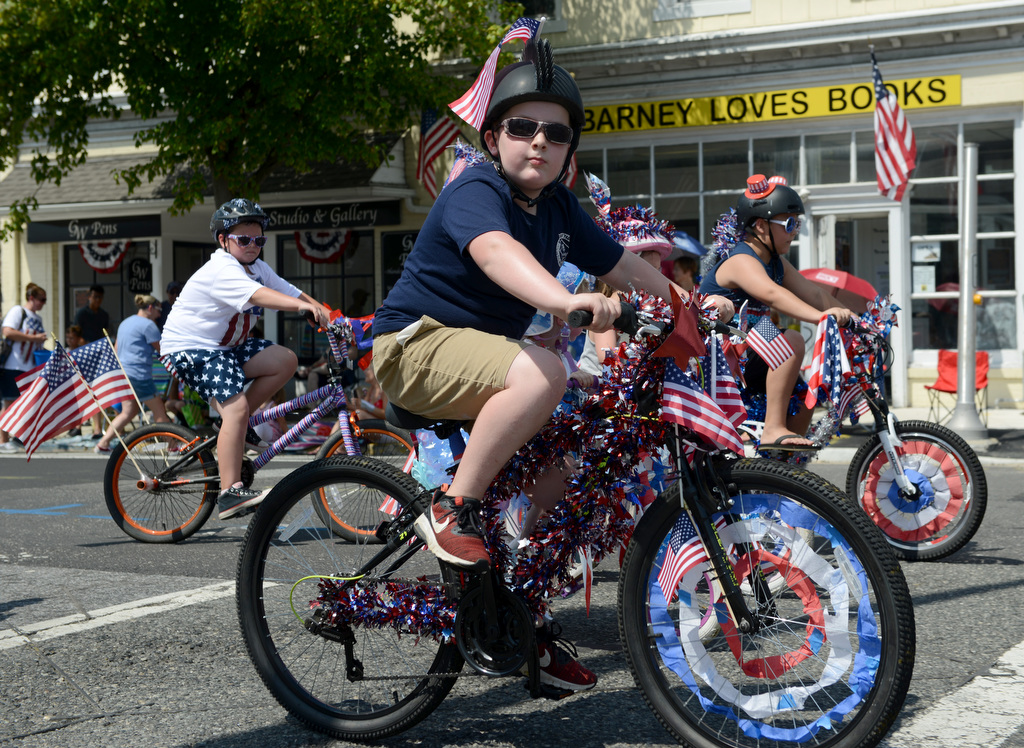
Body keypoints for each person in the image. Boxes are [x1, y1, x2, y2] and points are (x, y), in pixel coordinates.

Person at [372, 37, 730, 694]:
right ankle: (452, 510)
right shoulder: (474, 189)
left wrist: (688, 300)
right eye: (522, 127)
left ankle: (516, 620)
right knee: (545, 371)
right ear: (492, 137)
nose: (539, 141)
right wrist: (567, 300)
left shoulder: (562, 208)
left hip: (487, 362)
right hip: (415, 346)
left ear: (570, 147)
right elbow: (495, 254)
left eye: (556, 132)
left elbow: (621, 264)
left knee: (567, 463)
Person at [160, 198, 331, 519]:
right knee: (236, 407)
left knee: (285, 360)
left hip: (226, 347)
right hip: (190, 348)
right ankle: (229, 493)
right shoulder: (222, 268)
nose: (253, 246)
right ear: (223, 240)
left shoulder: (257, 267)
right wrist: (303, 309)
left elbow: (292, 292)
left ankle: (235, 425)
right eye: (244, 240)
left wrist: (329, 314)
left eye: (259, 240)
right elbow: (258, 296)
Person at [699, 175, 852, 451]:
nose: (795, 232)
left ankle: (778, 470)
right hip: (721, 358)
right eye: (789, 224)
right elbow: (774, 295)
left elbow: (816, 295)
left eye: (798, 224)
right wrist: (822, 318)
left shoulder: (776, 262)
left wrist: (852, 320)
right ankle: (772, 429)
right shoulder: (741, 259)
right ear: (759, 226)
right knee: (792, 341)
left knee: (806, 398)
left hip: (752, 348)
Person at [94, 295, 171, 453]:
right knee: (159, 410)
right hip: (138, 374)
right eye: (158, 310)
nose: (159, 314)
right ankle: (173, 446)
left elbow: (116, 350)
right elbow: (162, 351)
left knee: (128, 412)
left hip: (123, 374)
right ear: (150, 308)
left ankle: (103, 443)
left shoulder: (125, 322)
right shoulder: (149, 325)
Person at [0, 283, 48, 453]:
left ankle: (17, 437)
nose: (44, 303)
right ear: (31, 298)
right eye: (41, 299)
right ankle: (2, 440)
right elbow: (7, 331)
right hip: (13, 364)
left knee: (26, 404)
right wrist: (33, 338)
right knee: (9, 402)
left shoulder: (38, 319)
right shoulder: (18, 311)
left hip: (29, 367)